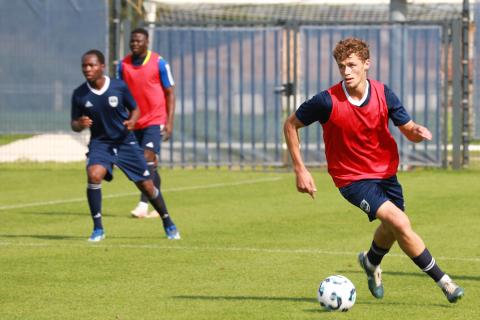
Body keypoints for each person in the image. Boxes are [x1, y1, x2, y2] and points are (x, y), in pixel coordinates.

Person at [283, 38, 464, 303]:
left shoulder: (384, 93)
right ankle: (445, 282)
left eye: (352, 65)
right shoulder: (326, 101)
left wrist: (416, 132)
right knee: (400, 222)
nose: (346, 72)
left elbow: (407, 129)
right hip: (352, 179)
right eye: (342, 66)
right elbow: (290, 125)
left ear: (367, 64)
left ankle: (370, 263)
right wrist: (300, 170)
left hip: (386, 174)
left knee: (391, 227)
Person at [71, 49, 180, 241]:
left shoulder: (118, 87)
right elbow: (74, 123)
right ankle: (98, 229)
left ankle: (167, 221)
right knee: (93, 174)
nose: (87, 69)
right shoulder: (79, 94)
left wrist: (132, 121)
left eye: (92, 65)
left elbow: (135, 109)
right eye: (84, 66)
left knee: (146, 186)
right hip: (100, 143)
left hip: (125, 142)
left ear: (102, 67)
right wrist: (79, 124)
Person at [117, 27, 176, 219]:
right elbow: (119, 93)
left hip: (155, 119)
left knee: (145, 158)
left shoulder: (159, 63)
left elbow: (170, 94)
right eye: (132, 41)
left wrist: (169, 122)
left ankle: (143, 204)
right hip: (134, 121)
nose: (135, 44)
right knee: (149, 164)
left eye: (138, 41)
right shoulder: (123, 65)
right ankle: (157, 200)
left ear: (147, 42)